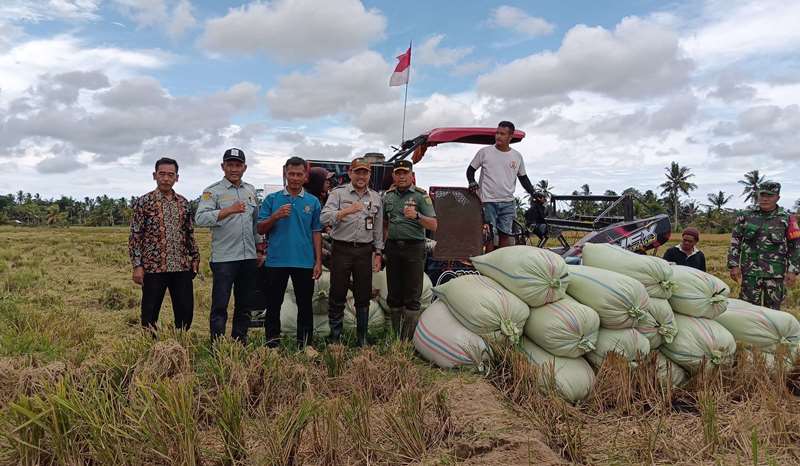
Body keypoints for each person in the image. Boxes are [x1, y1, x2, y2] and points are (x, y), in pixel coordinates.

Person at [195, 148, 262, 343]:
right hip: (224, 259)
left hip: (248, 257)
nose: (234, 169)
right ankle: (217, 344)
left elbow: (255, 224)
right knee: (220, 304)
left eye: (238, 165)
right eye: (230, 165)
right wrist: (228, 210)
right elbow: (200, 218)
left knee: (244, 304)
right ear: (222, 166)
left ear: (245, 167)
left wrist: (259, 249)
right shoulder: (212, 191)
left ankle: (239, 341)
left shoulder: (250, 190)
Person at [257, 156, 323, 348]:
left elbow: (316, 232)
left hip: (303, 261)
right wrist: (275, 216)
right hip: (277, 261)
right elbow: (261, 228)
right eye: (291, 174)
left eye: (299, 174)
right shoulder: (272, 199)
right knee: (273, 304)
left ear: (305, 176)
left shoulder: (313, 202)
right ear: (285, 174)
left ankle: (305, 344)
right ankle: (272, 344)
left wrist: (318, 261)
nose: (294, 178)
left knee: (305, 305)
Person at [129, 157, 199, 332]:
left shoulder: (184, 203)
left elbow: (190, 233)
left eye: (170, 175)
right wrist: (137, 265)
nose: (166, 178)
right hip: (153, 267)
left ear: (177, 177)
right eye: (162, 174)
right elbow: (135, 236)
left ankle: (179, 344)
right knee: (150, 312)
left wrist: (195, 257)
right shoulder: (144, 202)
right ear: (154, 175)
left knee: (185, 310)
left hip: (181, 266)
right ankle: (150, 346)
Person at [320, 157, 383, 346]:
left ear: (369, 175)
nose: (361, 176)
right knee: (337, 292)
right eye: (358, 172)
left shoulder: (376, 198)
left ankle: (361, 338)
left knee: (363, 295)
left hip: (364, 251)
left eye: (365, 172)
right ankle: (335, 337)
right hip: (342, 249)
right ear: (350, 173)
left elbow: (378, 228)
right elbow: (324, 218)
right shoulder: (338, 194)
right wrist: (345, 212)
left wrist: (378, 252)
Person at [383, 159, 437, 339]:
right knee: (394, 293)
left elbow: (434, 225)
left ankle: (408, 340)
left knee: (413, 295)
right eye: (398, 173)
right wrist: (381, 246)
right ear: (393, 176)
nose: (401, 177)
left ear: (411, 175)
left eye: (404, 173)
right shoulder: (388, 196)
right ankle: (395, 337)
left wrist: (417, 216)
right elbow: (383, 223)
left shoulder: (421, 196)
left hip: (414, 248)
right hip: (392, 247)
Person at [727, 182, 800, 310]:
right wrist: (733, 265)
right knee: (748, 310)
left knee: (773, 312)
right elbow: (735, 240)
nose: (765, 198)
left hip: (775, 274)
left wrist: (793, 270)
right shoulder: (746, 216)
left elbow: (795, 246)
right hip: (750, 273)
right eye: (762, 195)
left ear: (778, 197)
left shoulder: (787, 219)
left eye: (770, 196)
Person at [466, 121, 536, 251]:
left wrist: (533, 193)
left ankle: (500, 263)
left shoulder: (517, 156)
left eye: (502, 134)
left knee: (505, 235)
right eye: (497, 133)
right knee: (489, 235)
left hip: (508, 202)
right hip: (488, 201)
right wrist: (472, 181)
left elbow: (523, 178)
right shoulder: (485, 152)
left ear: (510, 137)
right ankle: (488, 262)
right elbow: (470, 170)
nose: (498, 136)